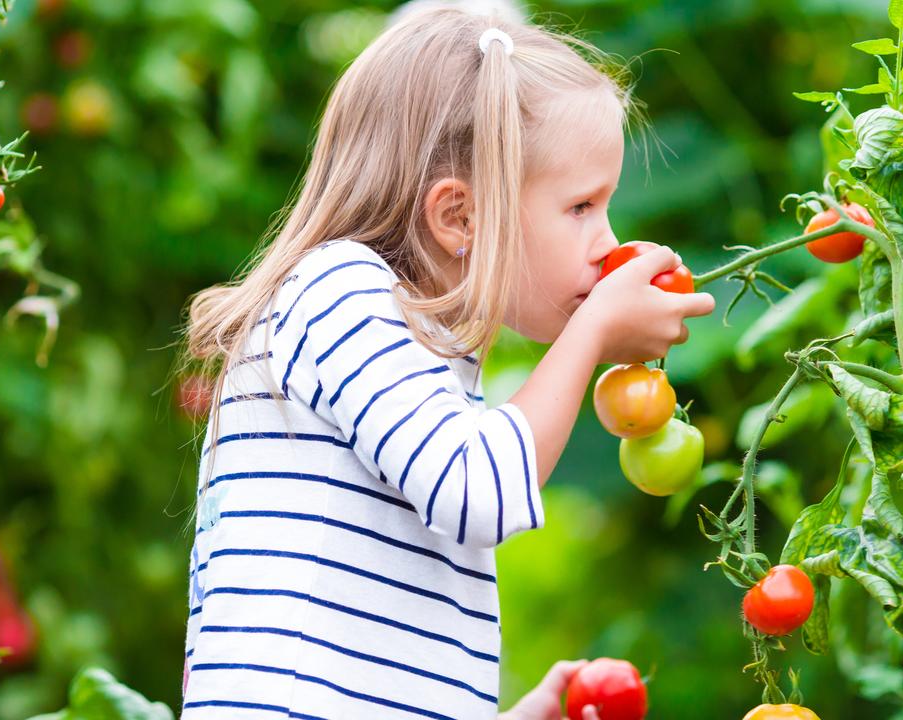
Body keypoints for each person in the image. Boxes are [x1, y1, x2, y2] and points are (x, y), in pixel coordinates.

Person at [177, 5, 714, 718]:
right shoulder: (340, 292)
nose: (606, 241)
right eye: (581, 206)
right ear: (458, 217)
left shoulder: (416, 352)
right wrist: (592, 336)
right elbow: (475, 492)